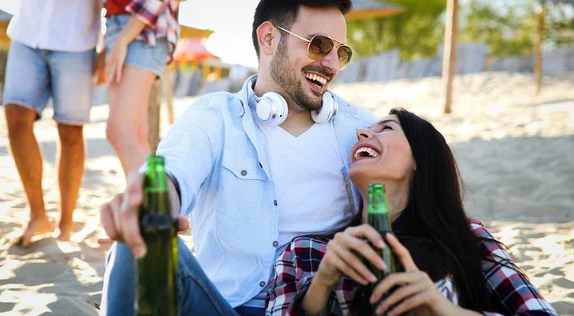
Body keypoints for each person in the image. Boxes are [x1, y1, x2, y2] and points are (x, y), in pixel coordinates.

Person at [99, 0, 377, 314]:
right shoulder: (214, 115)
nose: (331, 64)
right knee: (134, 245)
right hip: (223, 306)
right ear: (269, 38)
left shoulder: (362, 130)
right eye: (319, 45)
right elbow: (175, 172)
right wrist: (150, 201)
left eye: (341, 53)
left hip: (316, 308)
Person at [265, 109, 558, 316]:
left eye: (387, 128)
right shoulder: (307, 251)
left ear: (420, 158)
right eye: (369, 129)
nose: (362, 132)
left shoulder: (467, 238)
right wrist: (322, 284)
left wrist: (442, 308)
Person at [3, 0, 102, 247]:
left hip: (76, 40)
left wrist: (107, 47)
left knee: (70, 129)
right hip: (27, 33)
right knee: (15, 116)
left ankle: (66, 223)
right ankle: (38, 217)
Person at [102, 0, 181, 177]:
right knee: (136, 134)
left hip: (142, 27)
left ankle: (152, 202)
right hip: (123, 25)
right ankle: (152, 201)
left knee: (119, 131)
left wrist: (123, 39)